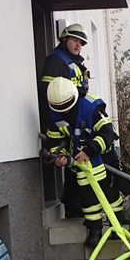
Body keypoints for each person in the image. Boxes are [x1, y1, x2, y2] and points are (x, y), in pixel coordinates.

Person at [43, 78, 124, 248]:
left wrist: (90, 150)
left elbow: (109, 133)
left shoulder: (91, 106)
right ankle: (94, 229)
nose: (64, 112)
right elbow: (55, 141)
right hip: (81, 164)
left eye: (67, 107)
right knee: (87, 198)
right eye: (60, 109)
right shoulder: (55, 112)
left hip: (103, 157)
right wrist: (60, 157)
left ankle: (119, 228)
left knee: (111, 196)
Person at [40, 23, 90, 218]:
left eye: (81, 42)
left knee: (76, 166)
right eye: (75, 40)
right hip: (65, 122)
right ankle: (73, 207)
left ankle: (77, 207)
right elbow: (50, 94)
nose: (79, 45)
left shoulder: (74, 62)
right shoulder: (56, 61)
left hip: (77, 119)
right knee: (72, 167)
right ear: (64, 39)